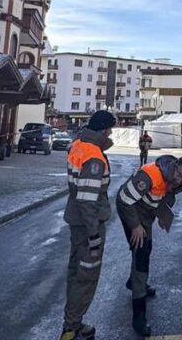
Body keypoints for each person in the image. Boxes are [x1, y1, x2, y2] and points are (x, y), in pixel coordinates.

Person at [116, 155, 182, 337]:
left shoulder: (176, 179)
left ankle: (133, 282)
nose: (179, 180)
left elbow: (161, 197)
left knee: (147, 248)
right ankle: (139, 316)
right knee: (141, 257)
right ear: (175, 166)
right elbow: (123, 199)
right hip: (131, 210)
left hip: (146, 213)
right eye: (178, 174)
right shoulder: (150, 175)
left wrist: (163, 215)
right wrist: (135, 226)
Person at [59, 111, 117, 340]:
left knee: (76, 272)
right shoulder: (94, 157)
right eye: (110, 129)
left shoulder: (78, 145)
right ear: (103, 130)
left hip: (76, 222)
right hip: (87, 226)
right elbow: (87, 199)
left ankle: (73, 322)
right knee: (87, 275)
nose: (112, 132)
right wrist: (94, 235)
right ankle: (71, 328)